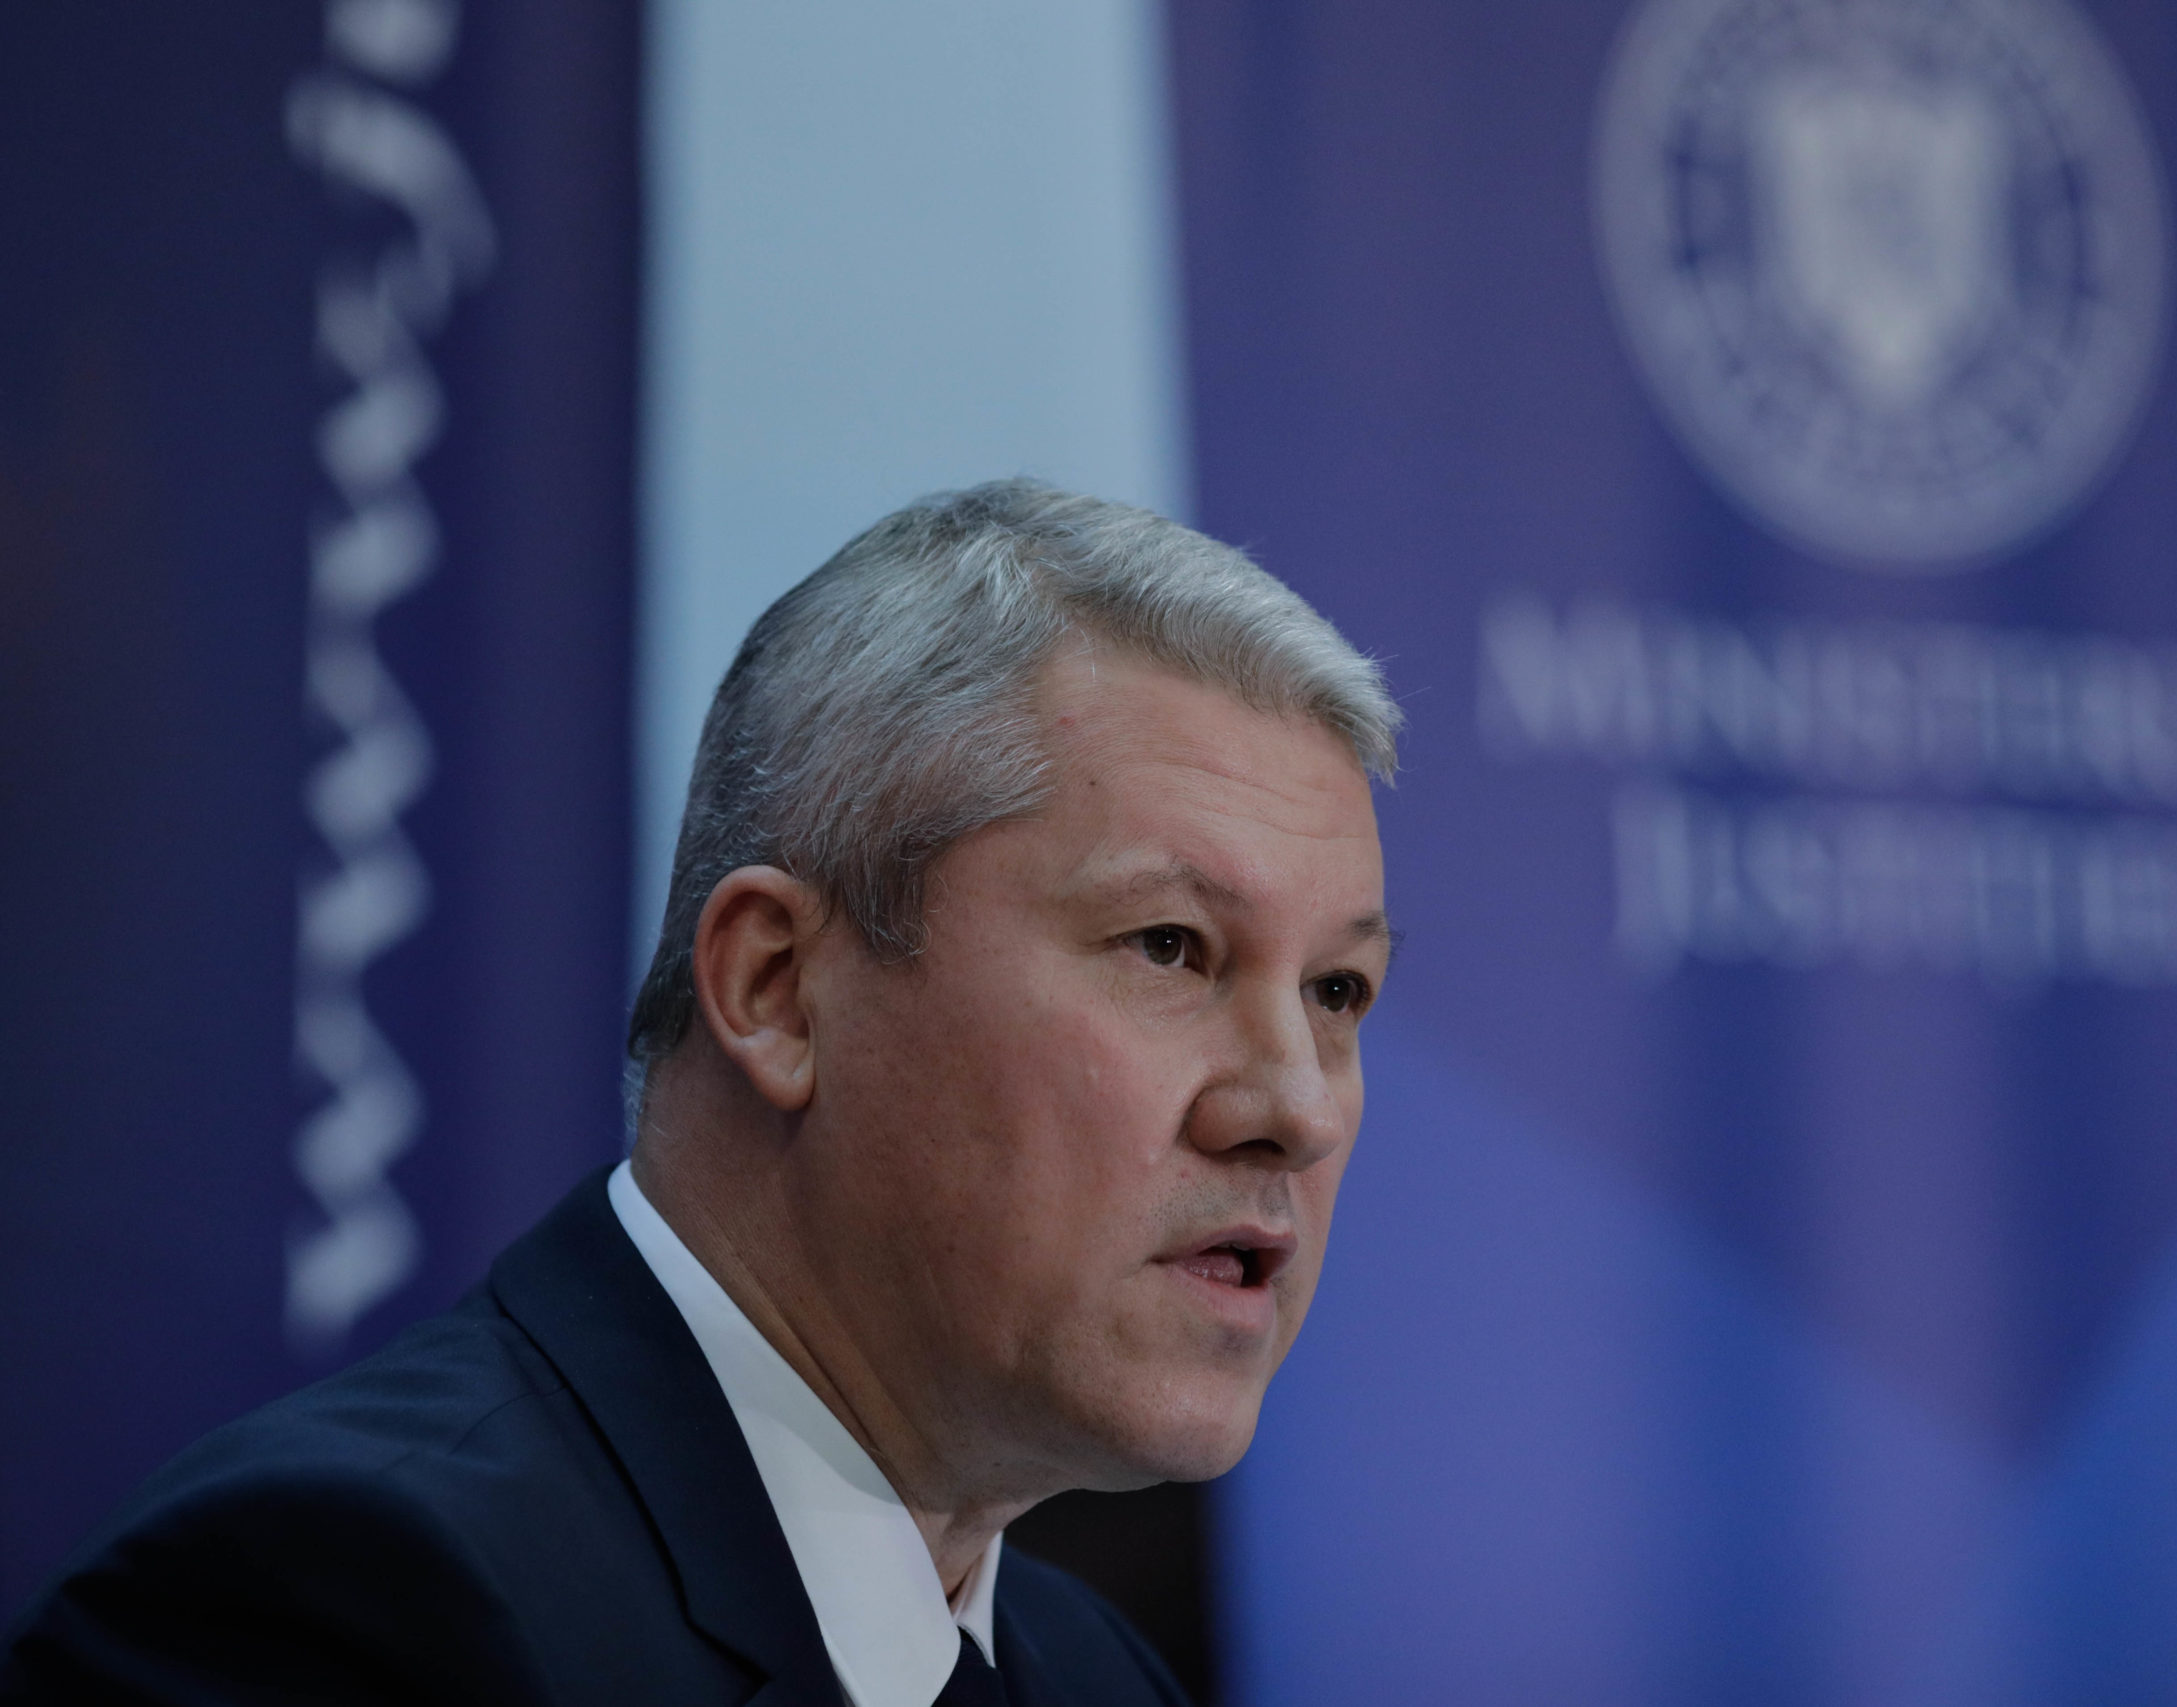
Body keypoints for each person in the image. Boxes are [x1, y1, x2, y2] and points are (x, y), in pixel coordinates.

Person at [0, 481, 1400, 1706]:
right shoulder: (346, 1610)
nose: (1299, 1107)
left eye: (1338, 990)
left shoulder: (1093, 1677)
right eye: (1170, 948)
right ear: (779, 990)